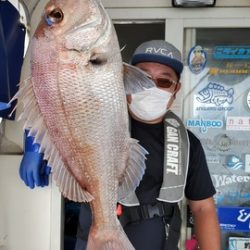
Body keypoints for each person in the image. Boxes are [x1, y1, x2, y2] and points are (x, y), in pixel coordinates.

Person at [19, 40, 221, 250]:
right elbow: (56, 108)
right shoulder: (95, 119)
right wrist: (33, 145)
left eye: (163, 82)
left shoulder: (188, 144)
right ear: (126, 79)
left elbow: (202, 208)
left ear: (176, 89)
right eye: (143, 77)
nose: (151, 86)